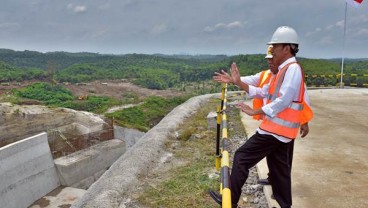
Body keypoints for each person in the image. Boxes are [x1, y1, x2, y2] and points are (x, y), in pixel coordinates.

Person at [212, 26, 313, 208]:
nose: (271, 50)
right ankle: (284, 205)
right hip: (280, 131)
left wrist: (256, 112)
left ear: (287, 48)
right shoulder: (280, 71)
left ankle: (230, 201)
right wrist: (238, 82)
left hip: (274, 130)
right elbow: (261, 91)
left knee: (242, 156)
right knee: (279, 170)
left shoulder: (292, 70)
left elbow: (283, 101)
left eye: (275, 46)